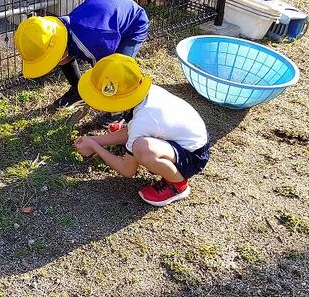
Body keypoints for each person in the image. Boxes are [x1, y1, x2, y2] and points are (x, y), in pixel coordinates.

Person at [72, 54, 209, 206]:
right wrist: (94, 140)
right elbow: (135, 129)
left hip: (193, 156)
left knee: (142, 147)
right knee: (136, 137)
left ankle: (178, 184)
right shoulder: (146, 94)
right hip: (189, 138)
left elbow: (127, 170)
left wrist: (94, 147)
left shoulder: (142, 121)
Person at [14, 0, 149, 108]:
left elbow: (105, 69)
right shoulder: (57, 30)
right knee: (63, 56)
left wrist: (99, 96)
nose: (52, 62)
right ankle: (78, 91)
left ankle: (121, 108)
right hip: (105, 18)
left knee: (117, 70)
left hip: (133, 23)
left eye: (52, 57)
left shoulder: (94, 43)